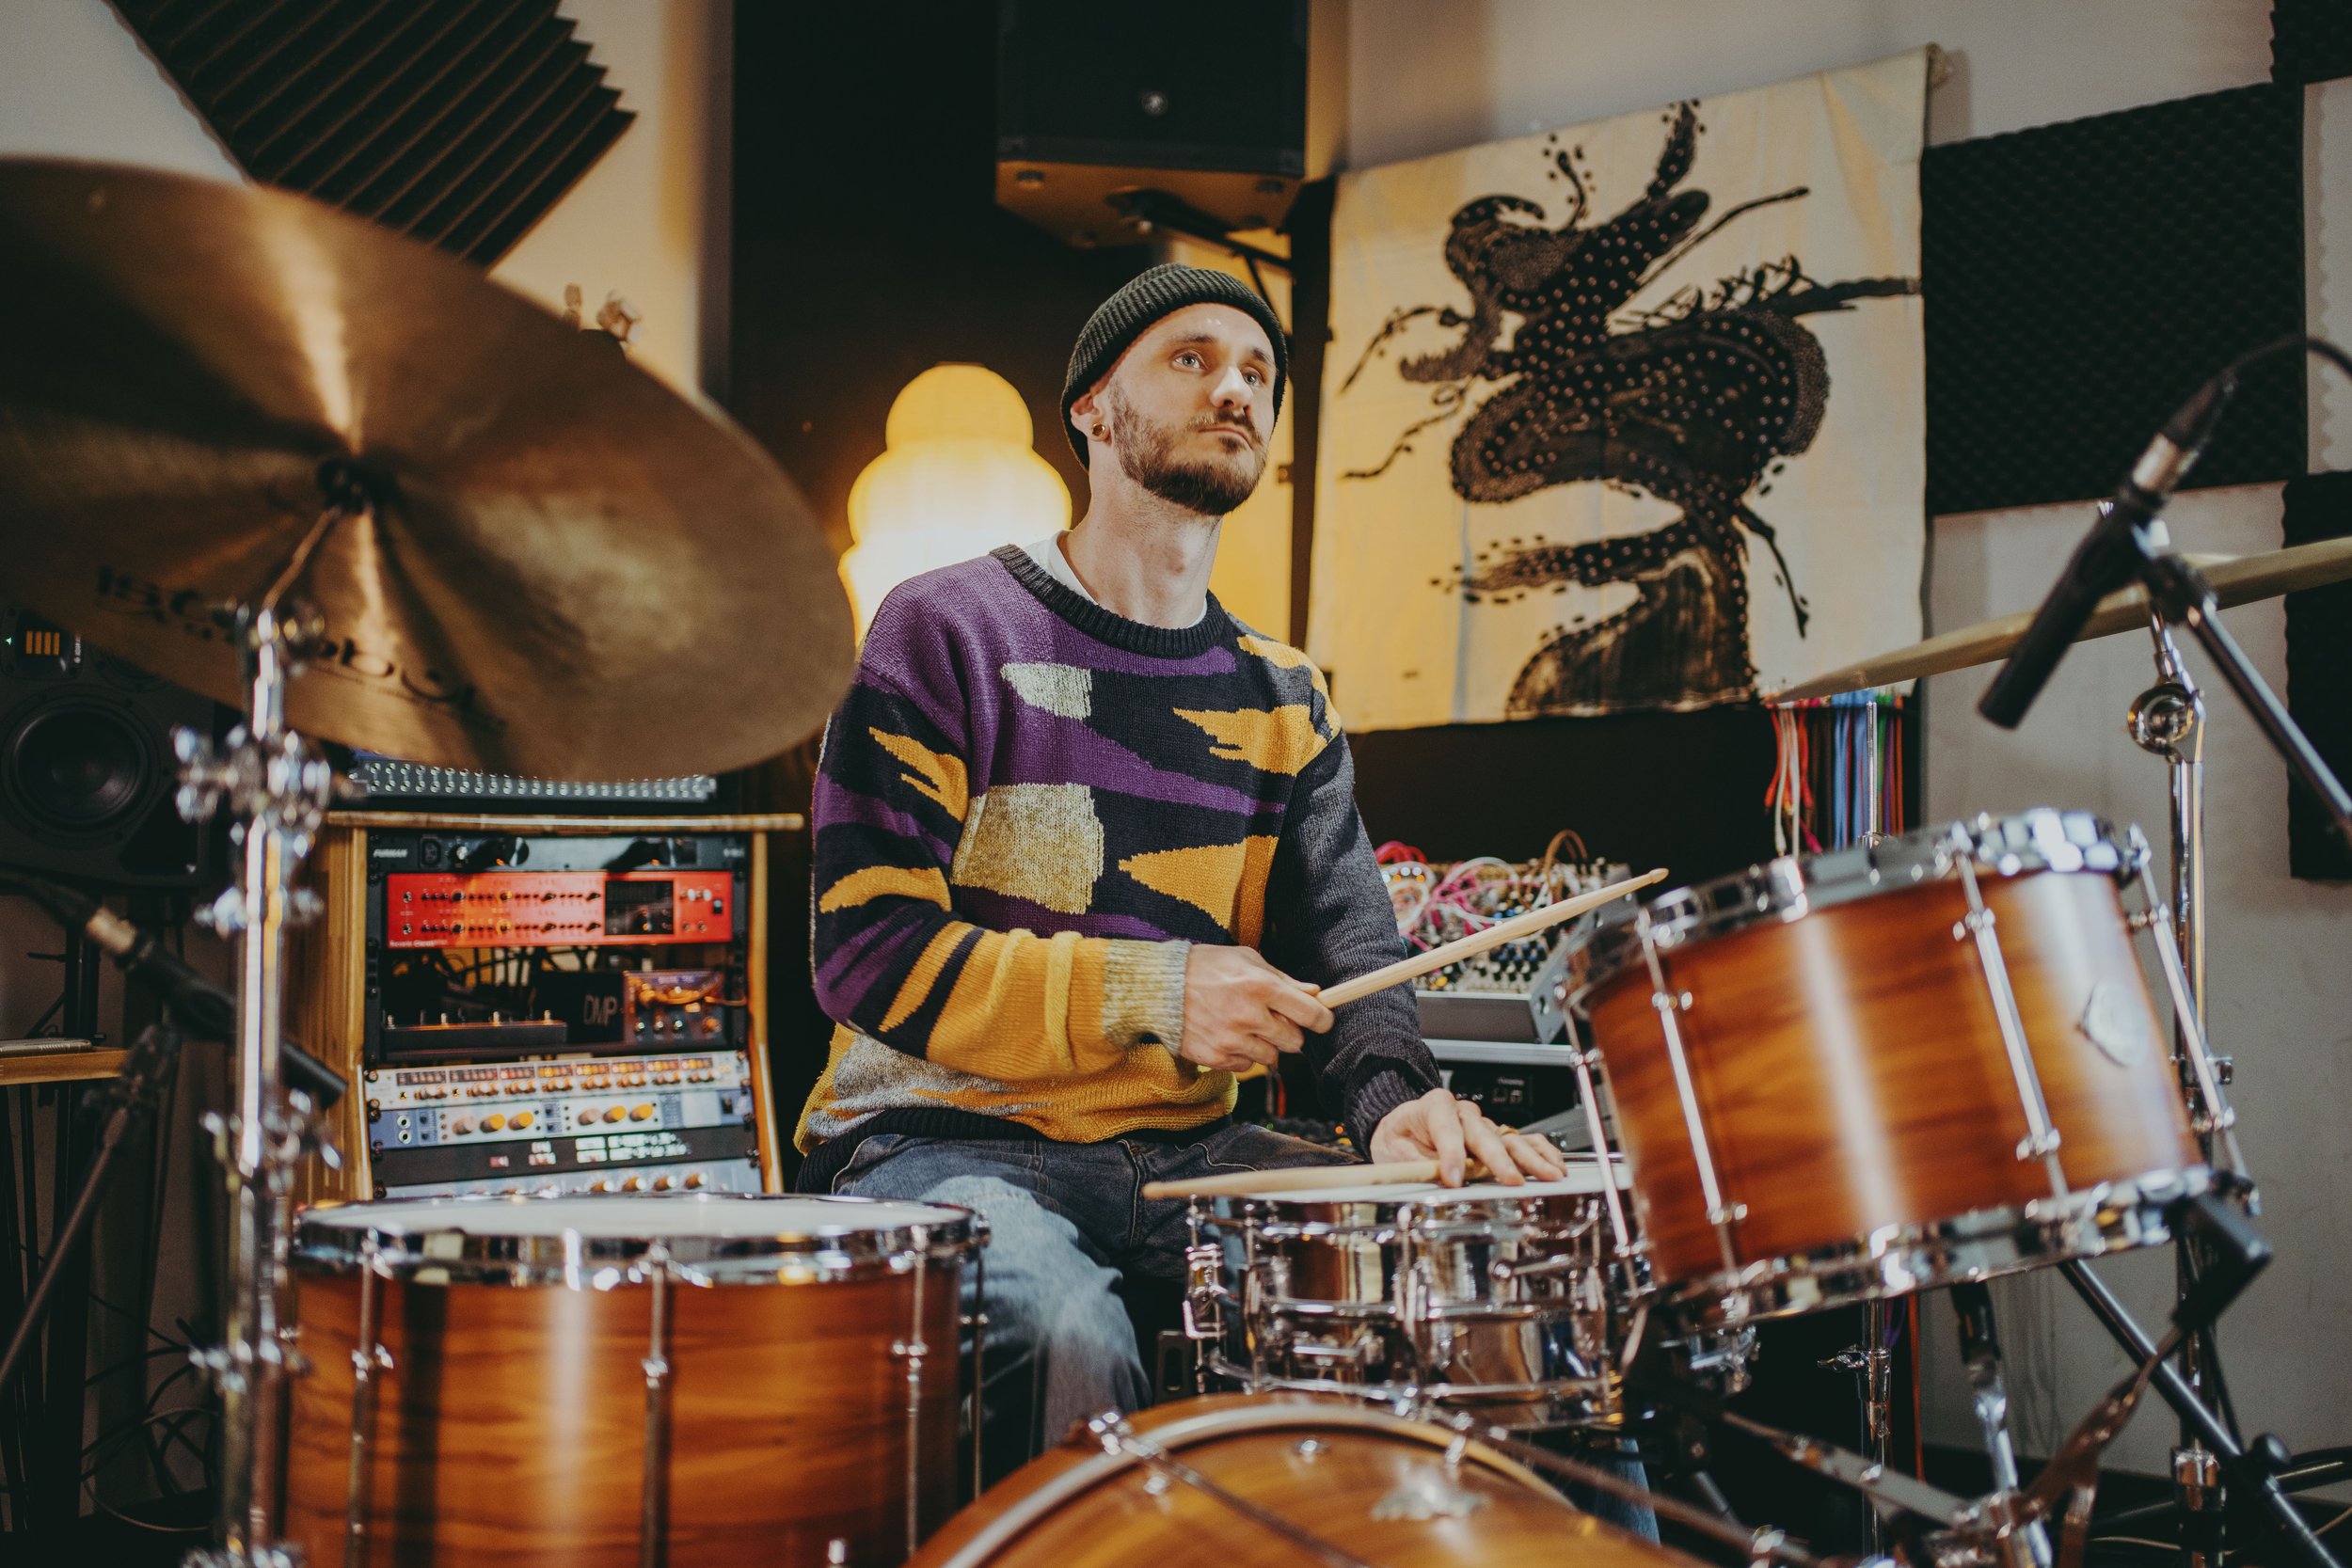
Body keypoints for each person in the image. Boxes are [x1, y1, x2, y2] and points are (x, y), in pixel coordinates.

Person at [795, 263, 1565, 1479]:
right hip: (949, 1143)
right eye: (1193, 360)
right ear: (1094, 411)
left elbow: (1354, 966)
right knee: (1064, 1333)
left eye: (1259, 371)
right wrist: (1154, 992)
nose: (1238, 390)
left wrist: (1396, 1100)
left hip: (1193, 1158)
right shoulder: (943, 629)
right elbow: (866, 953)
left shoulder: (1282, 694)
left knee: (1471, 1276)